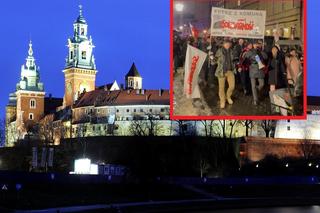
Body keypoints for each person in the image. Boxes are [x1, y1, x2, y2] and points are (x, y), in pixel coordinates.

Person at [244, 41, 268, 105]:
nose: (256, 45)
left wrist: (261, 51)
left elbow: (266, 57)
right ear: (253, 45)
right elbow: (246, 56)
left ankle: (257, 90)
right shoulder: (250, 51)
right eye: (255, 44)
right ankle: (255, 100)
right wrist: (254, 56)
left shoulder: (261, 51)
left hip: (260, 69)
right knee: (253, 85)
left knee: (262, 84)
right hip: (253, 69)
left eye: (257, 44)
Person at [215, 40, 235, 109]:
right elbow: (214, 60)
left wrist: (236, 65)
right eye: (226, 43)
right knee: (221, 88)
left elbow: (234, 60)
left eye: (228, 43)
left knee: (232, 86)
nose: (227, 44)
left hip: (230, 71)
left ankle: (228, 97)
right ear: (223, 44)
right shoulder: (219, 51)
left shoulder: (232, 51)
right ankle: (222, 101)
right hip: (221, 71)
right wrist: (211, 56)